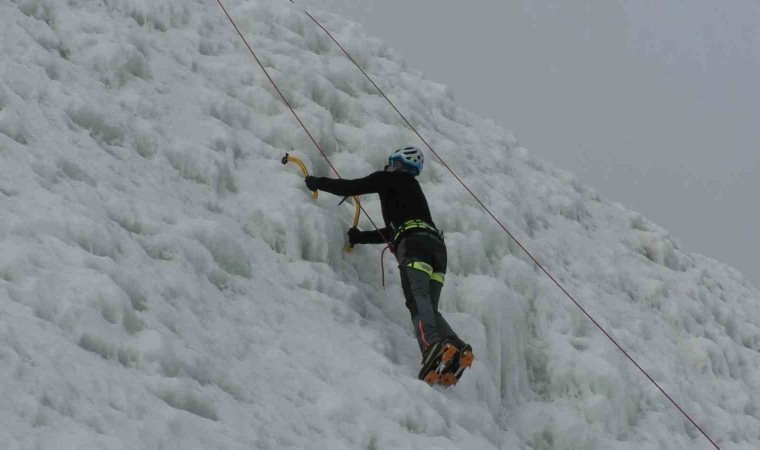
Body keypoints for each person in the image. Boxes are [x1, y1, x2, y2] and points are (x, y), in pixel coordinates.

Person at [304, 146, 474, 386]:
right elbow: (392, 232)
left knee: (417, 301)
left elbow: (351, 187)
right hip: (437, 250)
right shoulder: (414, 191)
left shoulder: (388, 178)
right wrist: (360, 237)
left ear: (397, 163)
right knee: (429, 308)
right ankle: (456, 349)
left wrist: (316, 182)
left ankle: (432, 347)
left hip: (414, 246)